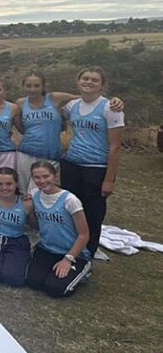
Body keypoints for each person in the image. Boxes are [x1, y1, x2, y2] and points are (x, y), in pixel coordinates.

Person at [14, 71, 123, 193]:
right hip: (25, 152)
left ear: (43, 86)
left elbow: (86, 96)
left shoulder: (54, 98)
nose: (32, 89)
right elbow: (20, 127)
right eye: (28, 86)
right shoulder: (20, 103)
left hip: (50, 153)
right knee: (23, 191)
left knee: (41, 191)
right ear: (23, 86)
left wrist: (113, 100)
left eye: (37, 85)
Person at [60, 67, 124, 259]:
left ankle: (88, 252)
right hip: (71, 164)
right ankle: (69, 248)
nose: (89, 82)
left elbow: (115, 147)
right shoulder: (72, 106)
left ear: (102, 85)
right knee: (70, 209)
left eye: (94, 80)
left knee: (93, 213)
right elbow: (53, 105)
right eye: (85, 79)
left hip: (96, 167)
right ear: (78, 82)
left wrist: (109, 179)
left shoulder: (110, 108)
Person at [27, 161, 92, 297]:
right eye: (37, 177)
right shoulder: (34, 195)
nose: (42, 181)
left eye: (46, 176)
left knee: (55, 289)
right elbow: (37, 225)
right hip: (47, 249)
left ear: (54, 176)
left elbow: (84, 234)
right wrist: (29, 212)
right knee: (33, 282)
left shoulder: (70, 200)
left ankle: (83, 270)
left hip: (71, 253)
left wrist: (68, 259)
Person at [0, 167, 32, 286]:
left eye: (9, 184)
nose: (4, 188)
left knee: (13, 279)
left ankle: (25, 260)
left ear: (16, 183)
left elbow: (33, 224)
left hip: (16, 241)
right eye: (0, 184)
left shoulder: (26, 203)